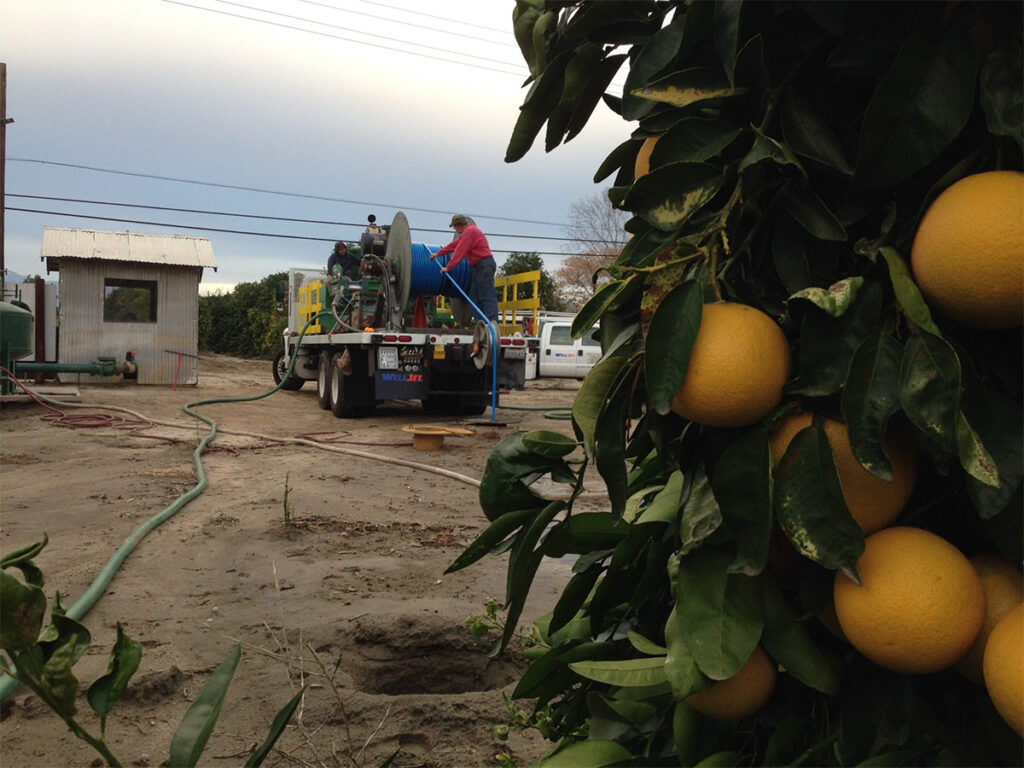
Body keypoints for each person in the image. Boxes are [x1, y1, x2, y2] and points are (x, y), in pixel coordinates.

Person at [430, 214, 499, 323]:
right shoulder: (468, 233)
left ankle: (492, 323)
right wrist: (438, 254)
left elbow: (459, 252)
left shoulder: (469, 232)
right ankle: (481, 323)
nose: (455, 229)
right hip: (480, 266)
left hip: (484, 265)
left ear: (458, 225)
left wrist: (448, 267)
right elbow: (454, 245)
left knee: (485, 295)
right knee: (474, 297)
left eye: (454, 227)